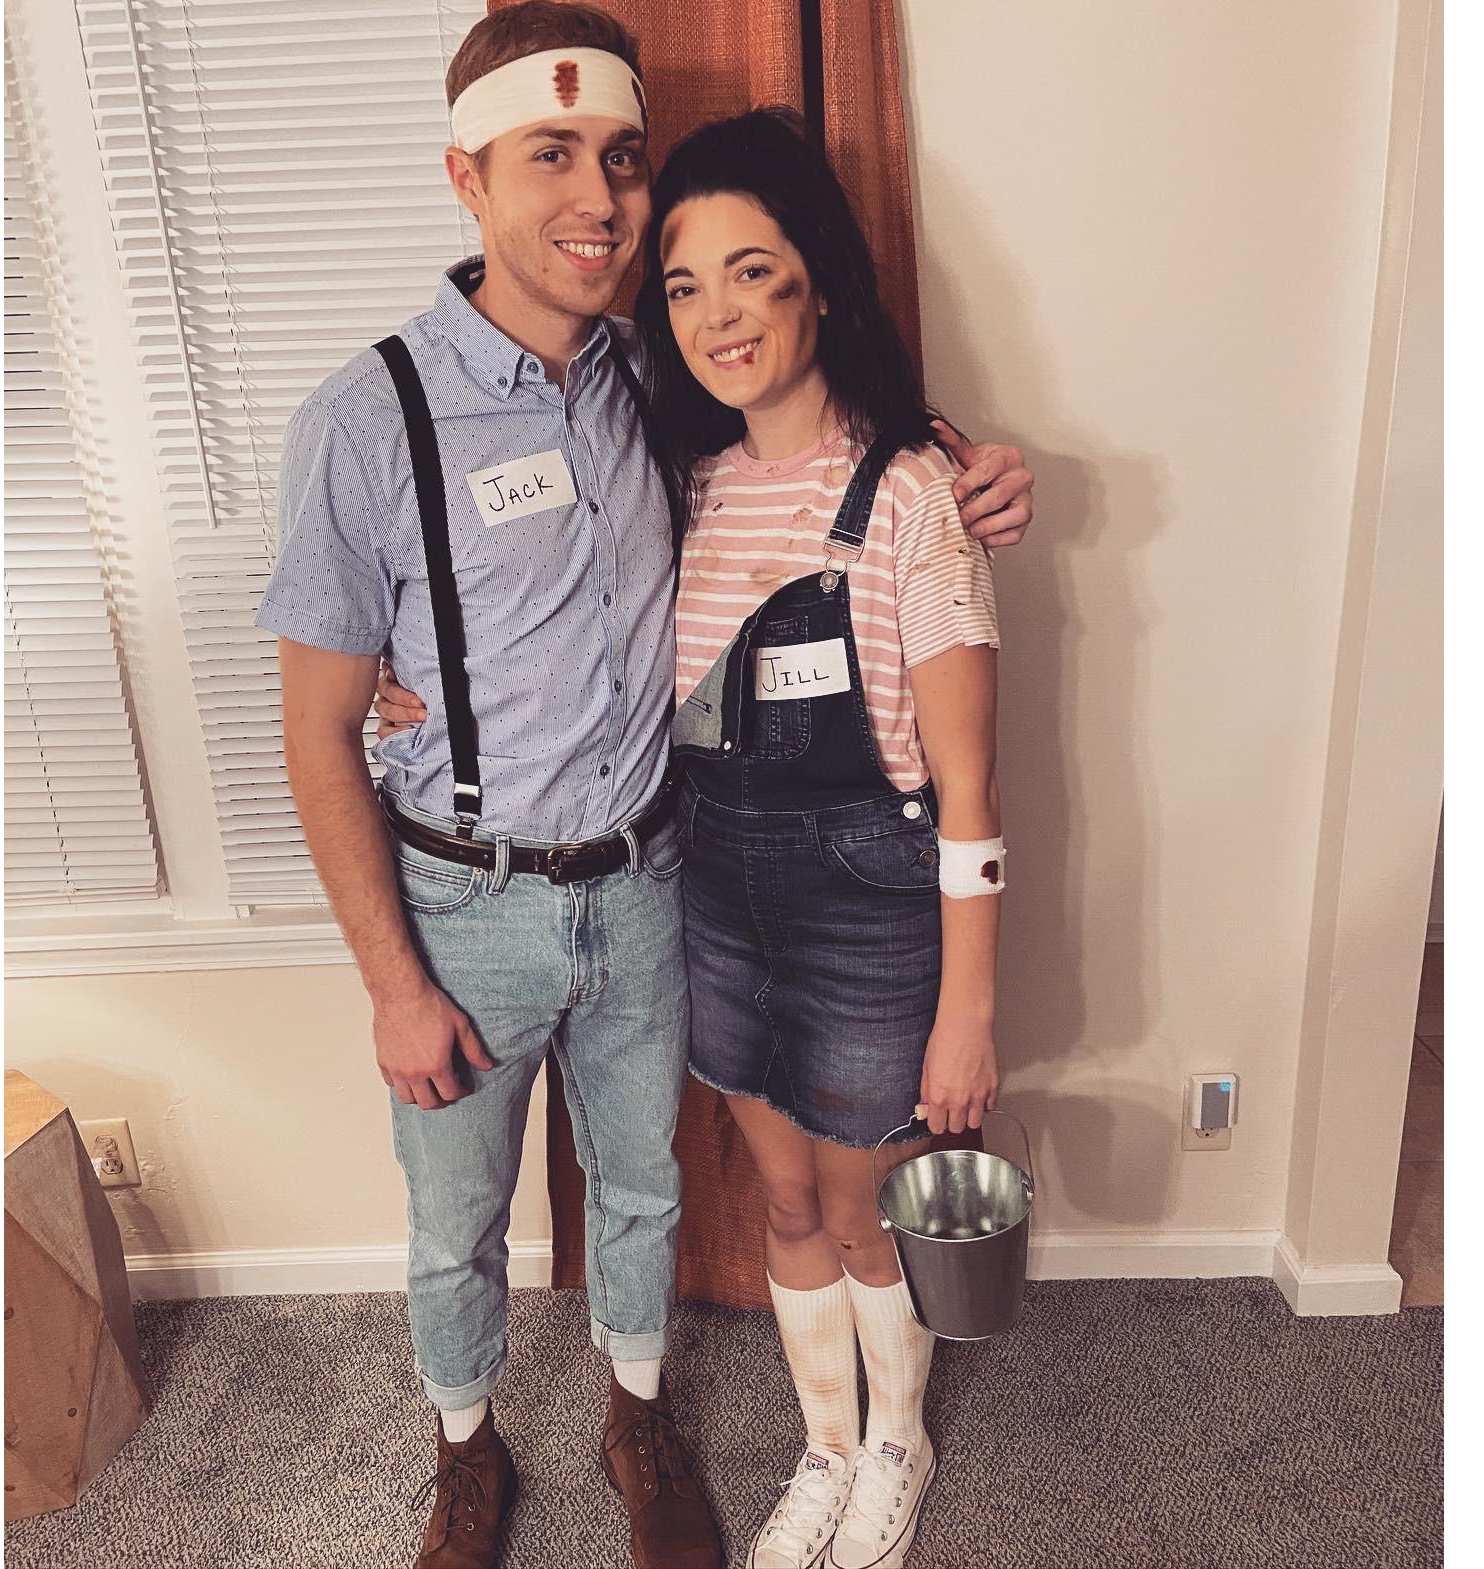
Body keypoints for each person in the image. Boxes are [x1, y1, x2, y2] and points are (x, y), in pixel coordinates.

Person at [260, 6, 1032, 1568]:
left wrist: (971, 467)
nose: (598, 199)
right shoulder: (362, 421)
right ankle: (463, 1451)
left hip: (653, 887)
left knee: (643, 1193)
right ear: (466, 175)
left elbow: (840, 448)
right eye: (549, 155)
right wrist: (393, 982)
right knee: (453, 1215)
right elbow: (316, 727)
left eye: (620, 158)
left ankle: (640, 1417)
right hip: (464, 905)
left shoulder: (649, 380)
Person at [634, 109, 1004, 1569]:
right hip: (716, 899)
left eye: (752, 272)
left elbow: (969, 791)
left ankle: (897, 1446)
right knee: (782, 1197)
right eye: (684, 285)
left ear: (821, 283)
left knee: (859, 1211)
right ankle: (827, 1448)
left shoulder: (915, 494)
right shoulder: (685, 488)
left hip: (869, 910)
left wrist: (967, 1012)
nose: (716, 315)